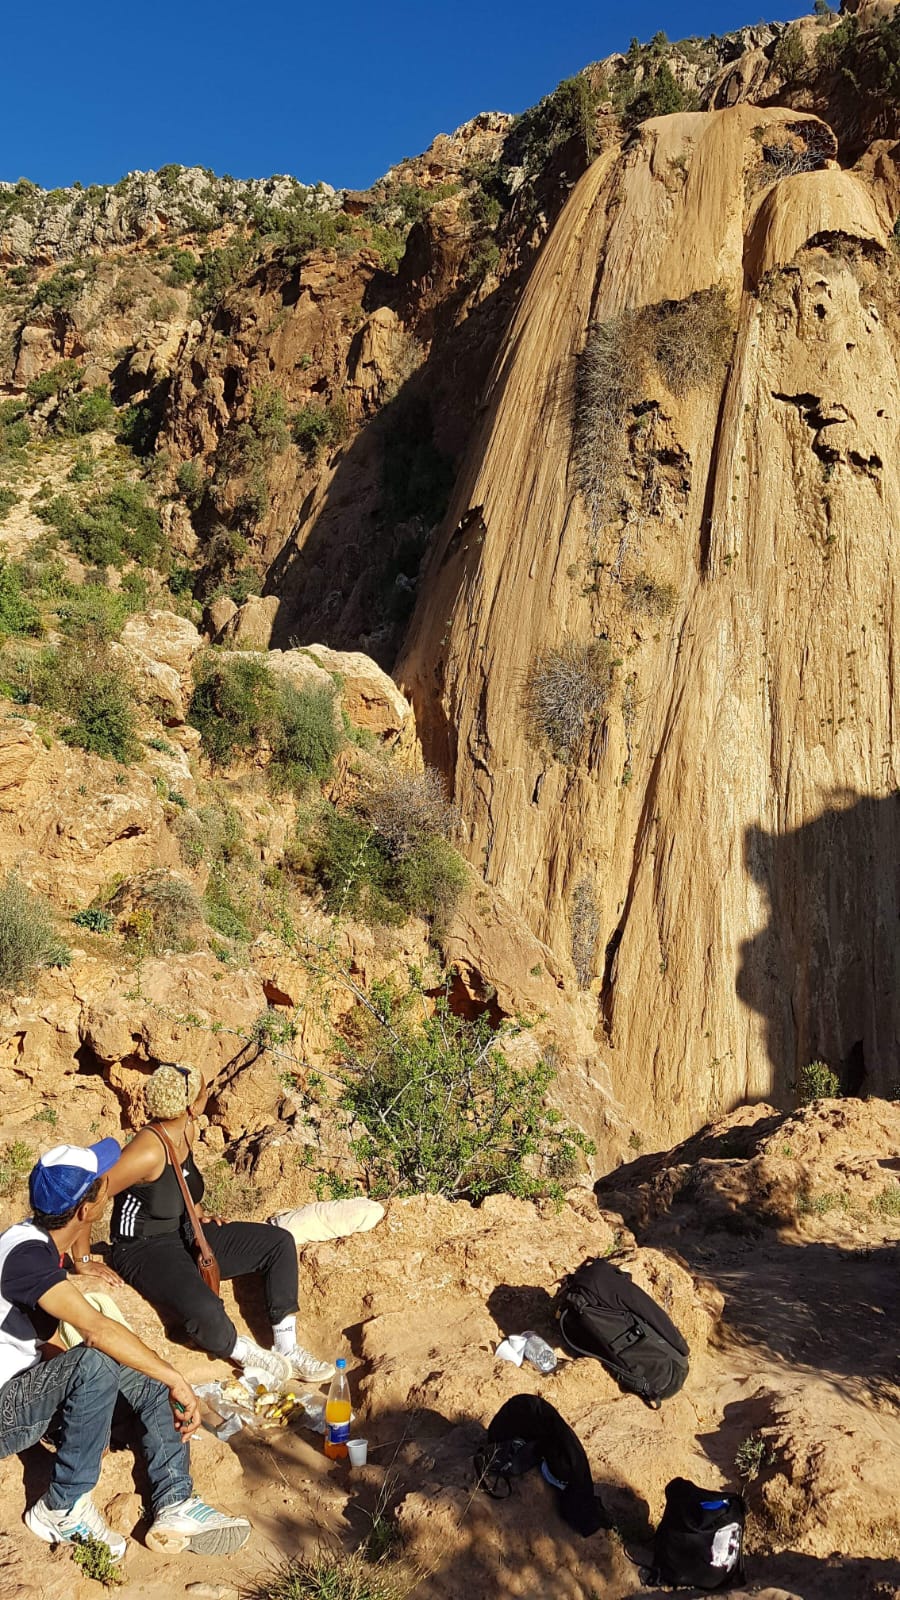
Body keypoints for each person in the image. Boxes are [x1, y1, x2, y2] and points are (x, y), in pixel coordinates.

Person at [0, 1140, 251, 1562]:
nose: (108, 1186)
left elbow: (34, 1339)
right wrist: (177, 1376)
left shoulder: (38, 1243)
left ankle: (174, 1503)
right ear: (86, 1210)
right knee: (97, 1361)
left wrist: (91, 1405)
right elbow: (96, 1330)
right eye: (101, 1185)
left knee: (146, 1381)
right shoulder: (26, 1258)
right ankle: (60, 1507)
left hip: (22, 1386)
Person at [75, 1063, 333, 1385]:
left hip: (183, 1229)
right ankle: (243, 1351)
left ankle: (288, 1346)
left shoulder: (186, 1131)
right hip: (143, 1248)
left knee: (278, 1243)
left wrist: (196, 1213)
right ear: (189, 1104)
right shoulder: (148, 1151)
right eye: (202, 1090)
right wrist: (83, 1260)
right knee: (205, 1308)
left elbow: (183, 1181)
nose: (206, 1093)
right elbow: (88, 1193)